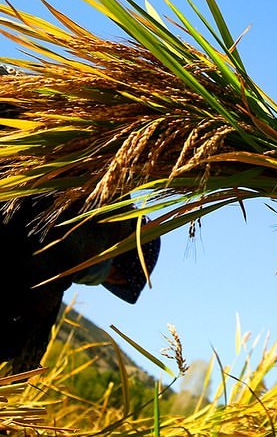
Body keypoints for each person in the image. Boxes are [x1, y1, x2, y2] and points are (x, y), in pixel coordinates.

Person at [0, 65, 161, 375]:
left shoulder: (85, 158)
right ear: (119, 248)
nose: (99, 280)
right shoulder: (42, 285)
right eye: (113, 274)